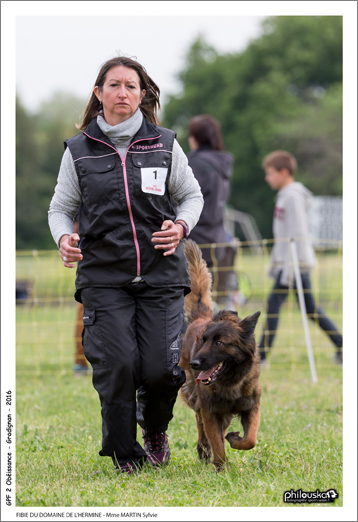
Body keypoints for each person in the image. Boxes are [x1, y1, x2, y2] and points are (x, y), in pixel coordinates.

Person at [48, 55, 204, 475]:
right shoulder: (79, 150)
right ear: (98, 94)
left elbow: (192, 196)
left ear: (142, 94)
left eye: (130, 86)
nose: (122, 93)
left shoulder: (165, 143)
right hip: (104, 276)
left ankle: (154, 428)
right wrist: (64, 237)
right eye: (113, 85)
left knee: (161, 369)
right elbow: (61, 208)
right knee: (116, 365)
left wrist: (182, 225)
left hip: (162, 274)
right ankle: (124, 454)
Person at [258, 150, 343, 365]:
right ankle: (342, 345)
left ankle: (260, 356)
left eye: (270, 173)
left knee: (275, 305)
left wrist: (287, 270)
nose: (267, 178)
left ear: (284, 172)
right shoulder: (286, 196)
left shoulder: (292, 197)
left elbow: (296, 235)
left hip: (295, 264)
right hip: (290, 264)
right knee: (309, 309)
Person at [186, 115, 238, 309]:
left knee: (192, 306)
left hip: (193, 240)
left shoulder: (195, 165)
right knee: (210, 300)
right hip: (218, 239)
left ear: (194, 138)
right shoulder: (223, 165)